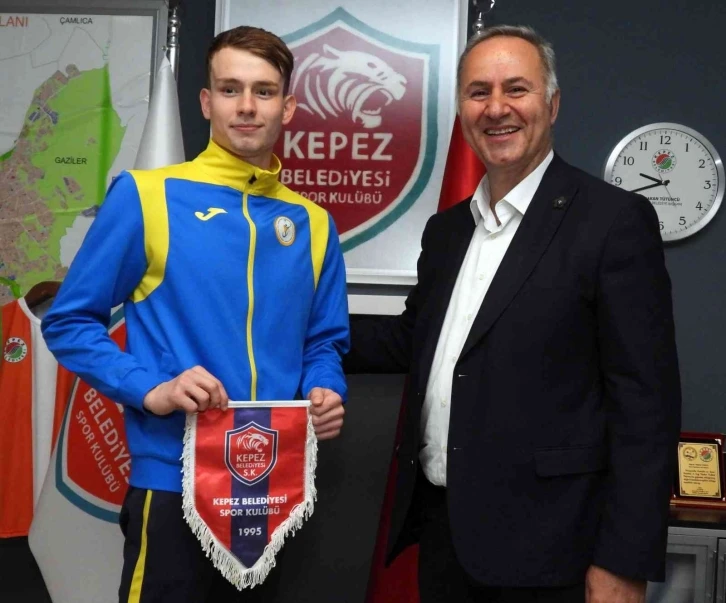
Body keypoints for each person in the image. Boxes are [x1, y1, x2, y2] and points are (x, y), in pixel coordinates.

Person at [345, 25, 680, 603]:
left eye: (516, 89)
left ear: (552, 104)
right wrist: (283, 328)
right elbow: (411, 340)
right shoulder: (447, 232)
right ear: (462, 110)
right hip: (445, 537)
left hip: (555, 551)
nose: (496, 108)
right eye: (479, 92)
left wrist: (624, 560)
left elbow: (645, 404)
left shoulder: (612, 221)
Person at [41, 25, 349, 602]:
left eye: (264, 91)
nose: (247, 106)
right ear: (206, 102)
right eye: (230, 89)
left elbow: (323, 340)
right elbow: (68, 321)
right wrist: (150, 388)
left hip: (273, 485)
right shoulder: (146, 196)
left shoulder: (313, 223)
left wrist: (326, 388)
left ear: (288, 106)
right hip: (172, 479)